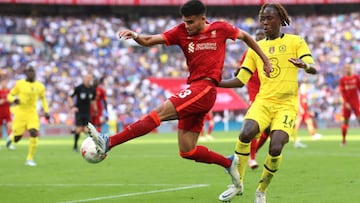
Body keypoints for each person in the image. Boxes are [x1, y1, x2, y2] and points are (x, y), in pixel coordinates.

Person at [87, 0, 271, 200]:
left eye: (191, 22)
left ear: (203, 18)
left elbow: (246, 37)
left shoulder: (221, 28)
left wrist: (266, 60)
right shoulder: (181, 32)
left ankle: (110, 142)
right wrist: (136, 36)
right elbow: (149, 40)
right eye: (185, 21)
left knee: (157, 114)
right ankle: (228, 162)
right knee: (187, 150)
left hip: (206, 87)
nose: (187, 26)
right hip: (194, 89)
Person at [217, 3, 317, 203]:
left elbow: (313, 68)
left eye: (269, 18)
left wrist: (305, 65)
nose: (264, 23)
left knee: (276, 147)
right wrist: (215, 82)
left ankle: (261, 190)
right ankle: (237, 184)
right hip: (263, 101)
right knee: (245, 133)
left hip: (286, 104)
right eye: (262, 19)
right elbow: (241, 80)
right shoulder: (256, 47)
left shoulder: (295, 42)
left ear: (280, 19)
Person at [6, 63, 50, 166]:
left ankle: (29, 159)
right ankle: (11, 138)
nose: (30, 73)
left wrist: (46, 111)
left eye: (32, 71)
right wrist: (14, 99)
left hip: (32, 114)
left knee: (34, 132)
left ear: (35, 73)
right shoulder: (19, 84)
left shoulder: (40, 86)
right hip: (20, 113)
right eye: (28, 71)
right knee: (17, 137)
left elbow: (43, 99)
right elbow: (10, 95)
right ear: (25, 73)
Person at [238, 28, 270, 170]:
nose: (258, 38)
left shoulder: (271, 52)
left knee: (268, 130)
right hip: (254, 93)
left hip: (269, 93)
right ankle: (251, 157)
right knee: (254, 125)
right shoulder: (248, 53)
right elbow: (241, 71)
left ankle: (252, 153)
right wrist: (238, 72)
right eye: (256, 36)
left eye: (261, 36)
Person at [67, 74, 97, 152]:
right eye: (87, 78)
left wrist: (95, 109)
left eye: (90, 78)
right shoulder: (78, 88)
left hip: (87, 112)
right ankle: (75, 146)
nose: (88, 80)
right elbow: (70, 97)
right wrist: (72, 106)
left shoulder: (92, 89)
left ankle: (91, 146)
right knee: (79, 129)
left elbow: (93, 100)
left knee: (87, 130)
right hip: (79, 111)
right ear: (84, 79)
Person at [293, 83, 322, 148]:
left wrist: (310, 111)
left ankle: (313, 135)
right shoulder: (299, 94)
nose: (305, 88)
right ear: (301, 88)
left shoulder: (305, 95)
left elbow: (307, 103)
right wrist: (300, 109)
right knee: (296, 125)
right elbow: (297, 102)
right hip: (300, 112)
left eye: (305, 87)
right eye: (304, 87)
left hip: (305, 112)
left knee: (310, 122)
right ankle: (295, 138)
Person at [339, 64, 360, 146]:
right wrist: (346, 102)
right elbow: (342, 92)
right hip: (346, 103)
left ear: (352, 69)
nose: (347, 70)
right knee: (345, 122)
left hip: (355, 102)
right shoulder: (342, 79)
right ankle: (343, 140)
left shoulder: (356, 78)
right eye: (346, 68)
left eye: (349, 68)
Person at [0, 77, 12, 149]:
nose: (4, 84)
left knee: (10, 127)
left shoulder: (9, 91)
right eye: (3, 82)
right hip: (0, 111)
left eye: (5, 82)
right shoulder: (0, 91)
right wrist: (3, 101)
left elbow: (12, 100)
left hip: (7, 111)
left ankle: (9, 143)